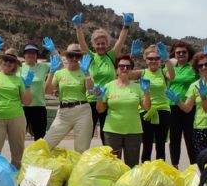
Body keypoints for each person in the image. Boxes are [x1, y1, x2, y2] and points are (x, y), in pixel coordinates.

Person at [74, 12, 132, 144]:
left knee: (107, 134)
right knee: (87, 134)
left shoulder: (111, 56)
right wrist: (78, 27)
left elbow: (120, 41)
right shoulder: (91, 57)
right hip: (92, 100)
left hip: (109, 100)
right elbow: (82, 43)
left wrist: (126, 25)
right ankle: (84, 160)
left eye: (103, 43)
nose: (100, 46)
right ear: (94, 45)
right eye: (98, 44)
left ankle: (108, 160)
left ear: (107, 44)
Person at [95, 55, 151, 168]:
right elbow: (100, 110)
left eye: (128, 66)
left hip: (133, 132)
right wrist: (100, 98)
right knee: (113, 166)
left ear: (131, 69)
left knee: (132, 166)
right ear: (116, 69)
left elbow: (146, 107)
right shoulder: (108, 86)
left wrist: (146, 92)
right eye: (121, 66)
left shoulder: (138, 87)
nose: (124, 68)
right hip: (112, 131)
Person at [0, 48, 33, 168]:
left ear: (15, 65)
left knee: (18, 154)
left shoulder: (19, 80)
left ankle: (15, 181)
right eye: (6, 60)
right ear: (1, 61)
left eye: (12, 61)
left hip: (16, 118)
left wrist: (28, 86)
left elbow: (27, 102)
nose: (8, 63)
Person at [166, 52, 207, 161]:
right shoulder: (194, 85)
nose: (204, 67)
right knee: (202, 162)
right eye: (200, 65)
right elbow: (187, 108)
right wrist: (178, 101)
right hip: (200, 127)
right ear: (197, 69)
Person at [43, 44, 94, 152]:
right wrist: (51, 72)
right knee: (46, 144)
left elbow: (91, 91)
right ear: (66, 57)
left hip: (82, 111)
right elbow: (47, 91)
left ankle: (78, 169)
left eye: (77, 56)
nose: (74, 58)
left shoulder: (85, 72)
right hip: (63, 113)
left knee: (81, 149)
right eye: (71, 55)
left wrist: (87, 73)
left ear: (81, 58)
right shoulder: (59, 73)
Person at [139, 43, 175, 162]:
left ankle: (160, 172)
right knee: (147, 145)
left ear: (160, 60)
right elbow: (125, 72)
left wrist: (167, 59)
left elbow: (172, 76)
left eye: (156, 58)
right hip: (146, 111)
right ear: (145, 60)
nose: (153, 61)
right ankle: (145, 171)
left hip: (163, 111)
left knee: (160, 145)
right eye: (150, 58)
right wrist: (132, 57)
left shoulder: (163, 72)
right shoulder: (142, 73)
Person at [166, 40, 198, 168]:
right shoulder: (170, 68)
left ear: (188, 53)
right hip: (172, 106)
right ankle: (175, 166)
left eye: (184, 52)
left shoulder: (193, 67)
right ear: (174, 54)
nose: (181, 54)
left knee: (191, 138)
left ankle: (194, 167)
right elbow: (168, 76)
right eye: (178, 52)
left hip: (190, 106)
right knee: (174, 139)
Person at [20, 41, 53, 140]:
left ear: (37, 55)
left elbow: (60, 65)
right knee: (18, 137)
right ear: (24, 55)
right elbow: (0, 67)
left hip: (39, 107)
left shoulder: (43, 66)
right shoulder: (18, 67)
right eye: (28, 52)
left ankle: (38, 155)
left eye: (33, 52)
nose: (31, 54)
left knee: (40, 138)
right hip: (21, 107)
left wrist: (53, 51)